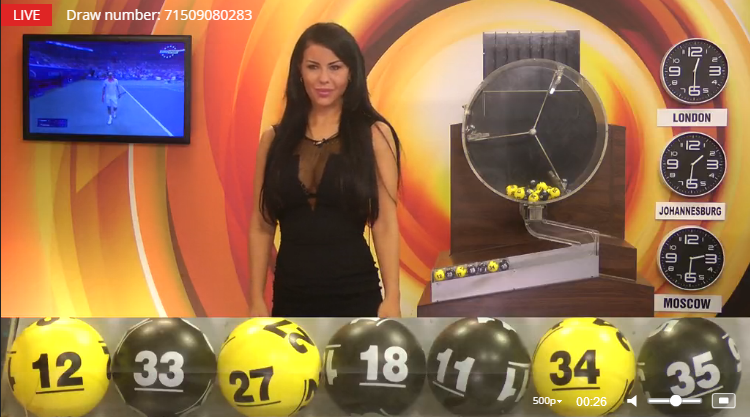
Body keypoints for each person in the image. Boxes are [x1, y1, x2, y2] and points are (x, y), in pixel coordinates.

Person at [248, 23, 403, 318]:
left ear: (351, 73)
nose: (323, 79)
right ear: (299, 71)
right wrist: (255, 299)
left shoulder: (374, 135)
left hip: (357, 295)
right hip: (290, 299)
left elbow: (384, 223)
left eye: (335, 67)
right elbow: (261, 224)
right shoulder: (273, 140)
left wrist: (393, 297)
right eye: (313, 67)